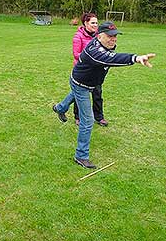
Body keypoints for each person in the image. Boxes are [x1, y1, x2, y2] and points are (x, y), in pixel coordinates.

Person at [53, 21, 156, 169]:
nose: (113, 39)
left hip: (89, 83)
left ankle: (60, 108)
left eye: (115, 36)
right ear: (100, 36)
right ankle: (81, 156)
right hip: (80, 83)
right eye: (110, 36)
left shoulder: (104, 44)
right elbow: (111, 59)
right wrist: (136, 58)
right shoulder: (93, 51)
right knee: (87, 121)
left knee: (74, 95)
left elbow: (110, 55)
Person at [72, 12, 108, 127]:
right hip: (83, 72)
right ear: (85, 23)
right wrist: (91, 58)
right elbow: (76, 54)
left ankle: (99, 117)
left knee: (97, 94)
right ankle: (78, 117)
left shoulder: (99, 36)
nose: (95, 25)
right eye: (92, 23)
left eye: (96, 23)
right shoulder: (78, 36)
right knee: (80, 95)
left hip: (96, 71)